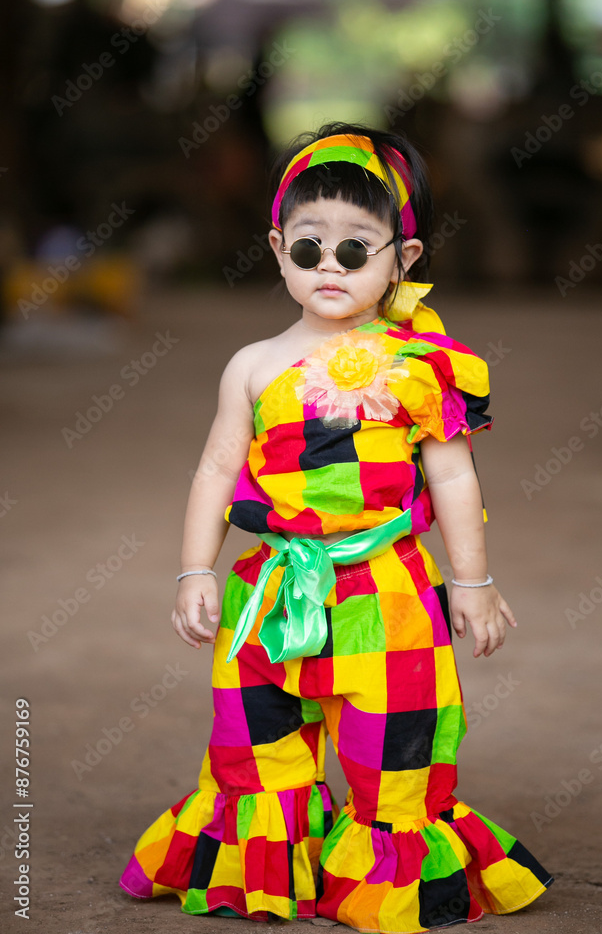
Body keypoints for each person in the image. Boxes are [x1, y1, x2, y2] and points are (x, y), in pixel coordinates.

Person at [119, 123, 554, 931]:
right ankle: (265, 868)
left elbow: (452, 475)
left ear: (403, 258)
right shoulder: (252, 365)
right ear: (276, 249)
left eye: (355, 250)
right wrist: (194, 570)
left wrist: (474, 582)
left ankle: (386, 874)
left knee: (395, 746)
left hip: (385, 594)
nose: (329, 265)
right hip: (271, 593)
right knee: (256, 741)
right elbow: (216, 471)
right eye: (308, 247)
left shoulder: (419, 364)